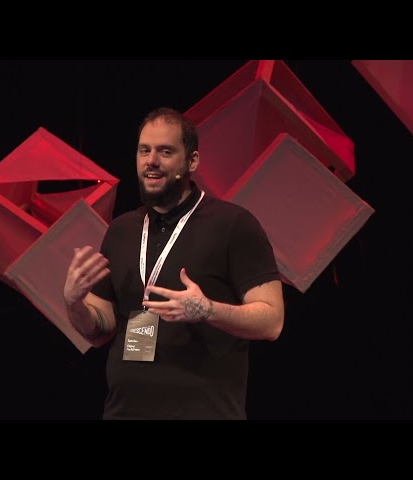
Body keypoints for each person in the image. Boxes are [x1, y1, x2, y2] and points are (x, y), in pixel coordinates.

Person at [63, 106, 284, 420]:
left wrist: (208, 309)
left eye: (165, 151)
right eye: (144, 150)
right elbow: (99, 331)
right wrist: (74, 304)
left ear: (192, 161)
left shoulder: (233, 224)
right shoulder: (121, 230)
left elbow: (272, 322)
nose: (151, 160)